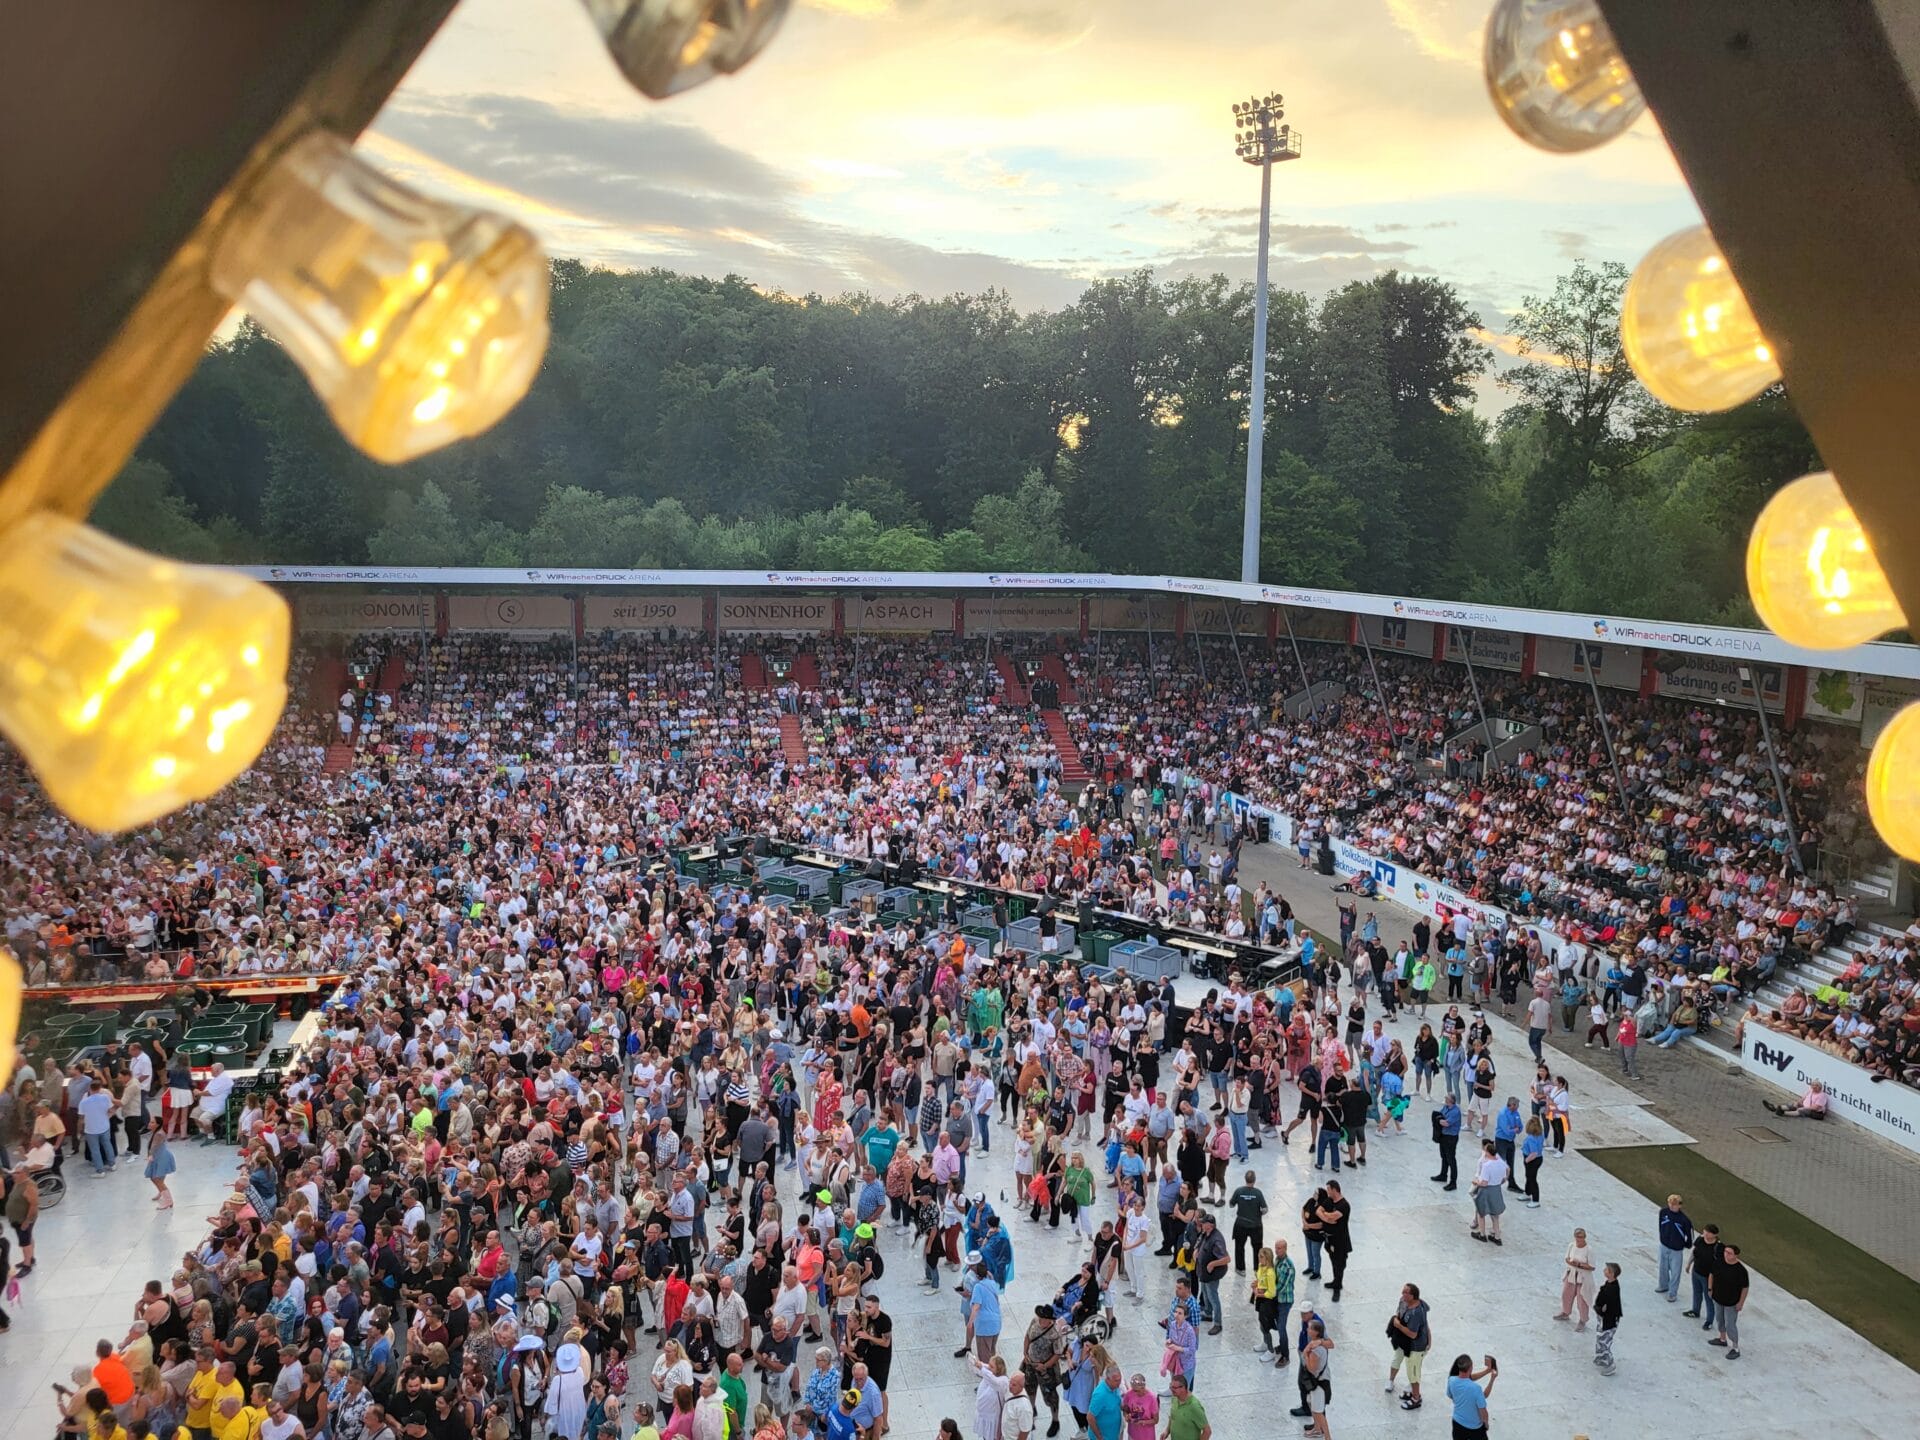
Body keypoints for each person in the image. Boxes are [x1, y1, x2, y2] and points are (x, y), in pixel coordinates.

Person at [1385, 1281, 1431, 1411]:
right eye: (1403, 1291)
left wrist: (1398, 1325)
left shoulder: (1417, 1312)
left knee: (1413, 1374)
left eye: (1406, 1293)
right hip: (1406, 1344)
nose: (1403, 1294)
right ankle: (1413, 1394)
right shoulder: (1406, 1302)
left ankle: (1416, 1398)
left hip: (1415, 1347)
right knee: (1411, 1372)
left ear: (1413, 1296)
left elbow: (1412, 1334)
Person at [1708, 1243, 1749, 1361]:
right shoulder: (1719, 1262)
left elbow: (1745, 1288)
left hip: (1731, 1302)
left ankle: (1735, 1347)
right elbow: (1711, 1274)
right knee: (1719, 1319)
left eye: (1729, 1253)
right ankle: (1722, 1339)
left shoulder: (1741, 1271)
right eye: (1725, 1252)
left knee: (1730, 1324)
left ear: (1736, 1255)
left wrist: (1741, 1302)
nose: (1726, 1254)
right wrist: (1710, 1288)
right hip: (1718, 1298)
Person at [1294, 1317, 1333, 1438]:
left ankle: (1327, 1436)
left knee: (1318, 1411)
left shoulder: (1316, 1350)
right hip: (1318, 1382)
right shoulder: (1318, 1343)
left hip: (1318, 1384)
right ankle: (1316, 1429)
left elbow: (1312, 1368)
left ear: (1315, 1332)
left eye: (1310, 1328)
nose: (1307, 1329)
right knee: (1311, 1403)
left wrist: (1305, 1355)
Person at [1444, 1354, 1496, 1439]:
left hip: (1457, 1423)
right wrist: (1492, 1379)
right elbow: (1483, 1410)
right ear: (1471, 1368)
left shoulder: (1451, 1380)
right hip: (1474, 1428)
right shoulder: (1476, 1389)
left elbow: (1451, 1395)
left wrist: (1487, 1371)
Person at [1554, 1229, 1597, 1329]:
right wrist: (1571, 1262)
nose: (1579, 1239)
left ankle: (1583, 1320)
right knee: (1566, 1294)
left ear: (1584, 1237)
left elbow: (1592, 1267)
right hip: (1571, 1275)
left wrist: (1579, 1264)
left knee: (1582, 1299)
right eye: (1577, 1237)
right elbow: (1567, 1258)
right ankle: (1565, 1312)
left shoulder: (1589, 1250)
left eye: (1581, 1237)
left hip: (1583, 1277)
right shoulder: (1571, 1245)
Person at [1684, 1223, 1724, 1329]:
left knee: (1709, 1298)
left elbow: (1720, 1265)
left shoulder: (1719, 1247)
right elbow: (1694, 1252)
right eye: (1705, 1231)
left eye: (1708, 1232)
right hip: (1696, 1272)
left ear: (1714, 1235)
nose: (1705, 1233)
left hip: (1708, 1277)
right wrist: (1689, 1264)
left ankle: (1709, 1320)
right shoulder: (1700, 1240)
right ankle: (1695, 1311)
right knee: (1696, 1293)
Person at [1655, 1195, 1693, 1304]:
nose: (1672, 1206)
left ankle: (1672, 1293)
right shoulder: (1663, 1212)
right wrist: (1662, 1237)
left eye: (1674, 1204)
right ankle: (1663, 1285)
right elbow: (1660, 1225)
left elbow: (1689, 1236)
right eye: (1670, 1203)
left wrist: (1685, 1245)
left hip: (1676, 1250)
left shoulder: (1684, 1220)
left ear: (1680, 1205)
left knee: (1675, 1272)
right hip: (1664, 1245)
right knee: (1663, 1267)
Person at [1467, 1142, 1507, 1246]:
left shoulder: (1487, 1165)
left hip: (1486, 1191)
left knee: (1481, 1213)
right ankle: (1497, 1237)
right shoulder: (1501, 1163)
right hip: (1496, 1190)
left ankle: (1482, 1234)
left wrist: (1476, 1182)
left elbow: (1484, 1183)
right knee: (1495, 1215)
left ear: (1488, 1152)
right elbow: (1505, 1176)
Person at [1594, 1263, 1623, 1376]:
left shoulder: (1613, 1289)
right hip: (1603, 1318)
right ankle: (1601, 1359)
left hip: (1608, 1321)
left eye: (1606, 1269)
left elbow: (1609, 1306)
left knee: (1604, 1342)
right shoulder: (1609, 1283)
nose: (1604, 1270)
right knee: (1600, 1338)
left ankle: (1610, 1365)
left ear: (1611, 1274)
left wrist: (1601, 1310)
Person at [1159, 1374, 1208, 1440]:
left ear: (1183, 1388)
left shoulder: (1194, 1407)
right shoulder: (1175, 1398)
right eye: (1171, 1387)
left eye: (1174, 1388)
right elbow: (1172, 1417)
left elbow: (1207, 1431)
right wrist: (1167, 1431)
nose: (1172, 1390)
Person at [1430, 1094, 1461, 1192]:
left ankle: (1453, 1182)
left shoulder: (1455, 1112)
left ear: (1451, 1100)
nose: (1445, 1100)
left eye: (1446, 1099)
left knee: (1451, 1159)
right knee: (1444, 1156)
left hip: (1451, 1137)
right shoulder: (1446, 1107)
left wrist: (1438, 1120)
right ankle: (1443, 1175)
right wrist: (1439, 1119)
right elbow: (1440, 1115)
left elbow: (1446, 1123)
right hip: (1443, 1135)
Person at [1763, 1080, 1829, 1119]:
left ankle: (1783, 1113)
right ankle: (1774, 1107)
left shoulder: (1822, 1096)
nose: (1814, 1087)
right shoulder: (1810, 1091)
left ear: (1820, 1087)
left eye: (1816, 1086)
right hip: (1805, 1105)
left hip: (1813, 1111)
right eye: (1813, 1085)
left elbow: (1815, 1108)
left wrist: (1804, 1108)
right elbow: (1803, 1098)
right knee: (1793, 1105)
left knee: (1801, 1111)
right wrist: (1798, 1102)